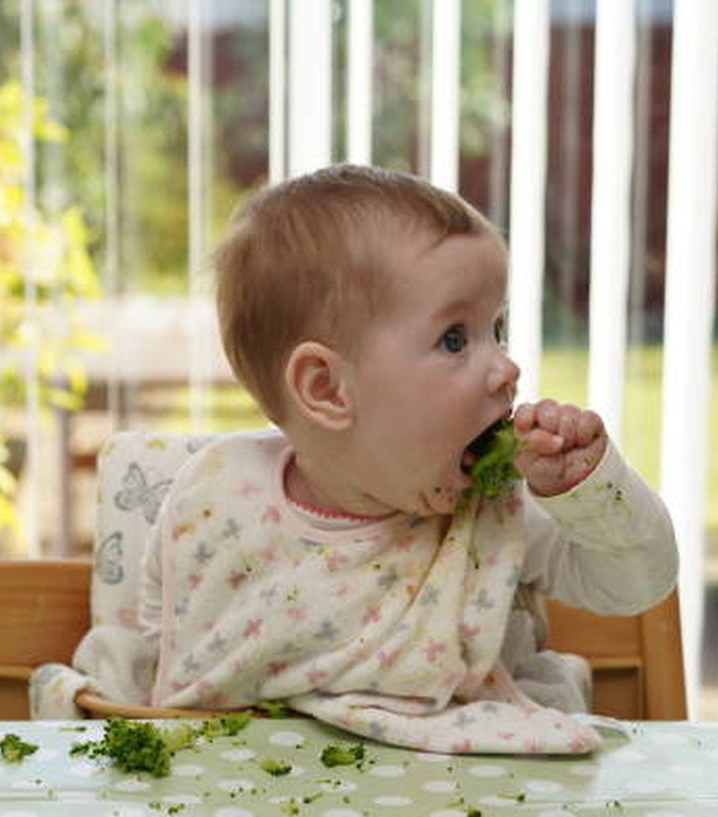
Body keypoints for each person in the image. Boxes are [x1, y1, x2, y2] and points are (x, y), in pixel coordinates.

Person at [52, 164, 677, 754]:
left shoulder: (493, 508)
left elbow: (637, 584)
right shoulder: (217, 501)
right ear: (327, 390)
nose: (506, 368)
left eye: (498, 328)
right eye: (455, 339)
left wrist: (590, 490)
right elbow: (180, 639)